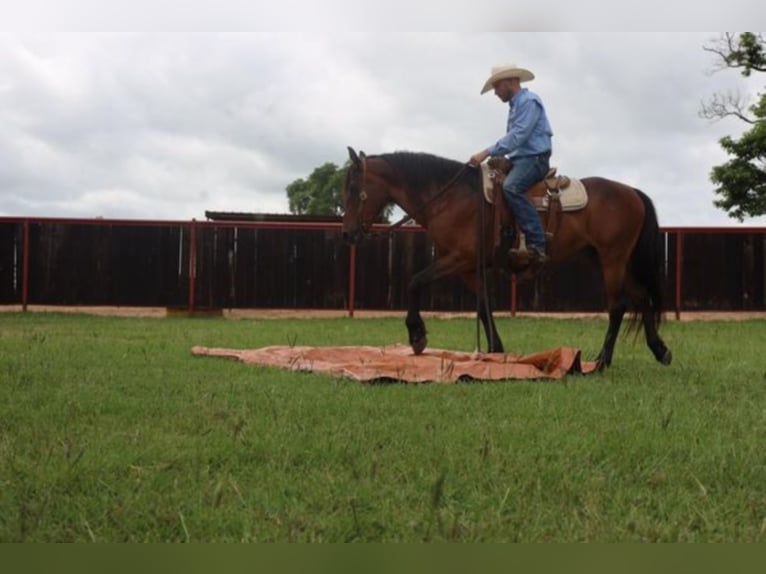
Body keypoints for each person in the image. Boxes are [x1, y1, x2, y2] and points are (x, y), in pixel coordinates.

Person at [469, 64, 553, 270]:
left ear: (511, 82)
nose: (496, 93)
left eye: (497, 87)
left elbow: (518, 136)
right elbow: (516, 139)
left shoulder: (528, 102)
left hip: (534, 159)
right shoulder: (516, 105)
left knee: (511, 187)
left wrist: (487, 152)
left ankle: (536, 242)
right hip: (522, 159)